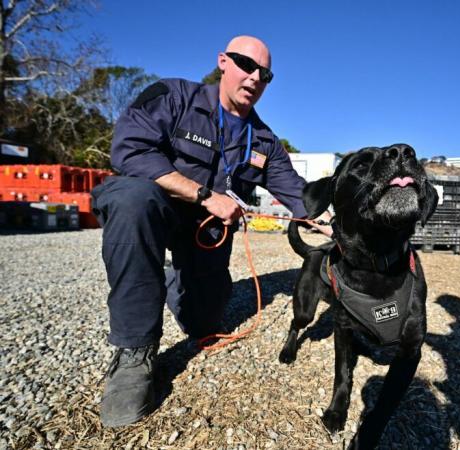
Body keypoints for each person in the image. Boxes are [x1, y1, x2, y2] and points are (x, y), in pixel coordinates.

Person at [91, 35, 331, 427]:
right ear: (223, 61)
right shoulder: (174, 97)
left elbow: (297, 194)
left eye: (265, 73)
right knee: (132, 199)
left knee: (205, 323)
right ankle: (134, 356)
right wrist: (204, 195)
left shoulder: (264, 141)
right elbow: (129, 150)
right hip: (154, 211)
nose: (255, 77)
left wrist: (325, 217)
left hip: (205, 233)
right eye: (245, 64)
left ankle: (171, 282)